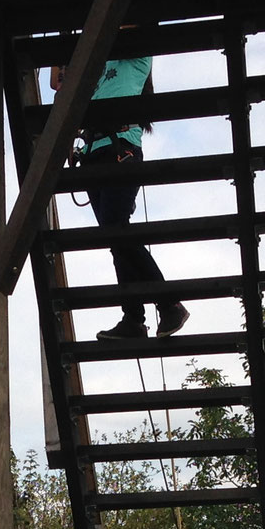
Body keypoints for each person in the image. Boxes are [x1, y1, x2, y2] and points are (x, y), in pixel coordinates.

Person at [58, 53, 188, 342]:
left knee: (114, 227)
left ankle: (165, 304)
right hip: (95, 151)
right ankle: (136, 318)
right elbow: (59, 80)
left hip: (121, 149)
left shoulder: (134, 56)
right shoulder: (98, 65)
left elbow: (129, 27)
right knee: (115, 236)